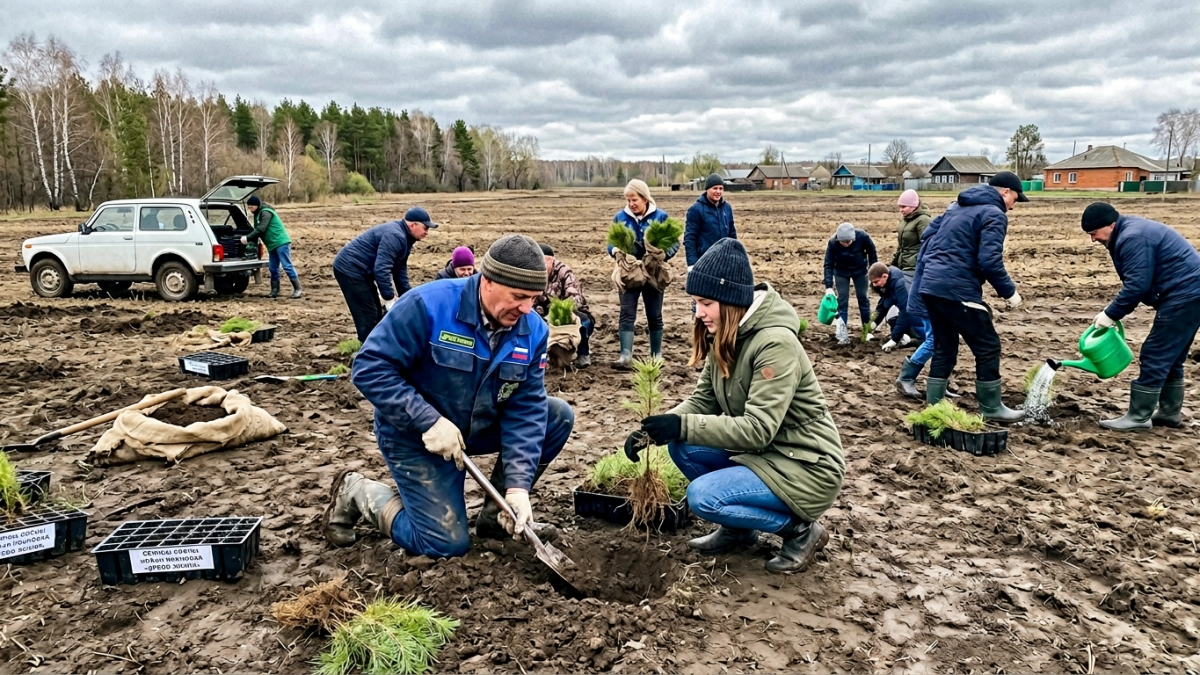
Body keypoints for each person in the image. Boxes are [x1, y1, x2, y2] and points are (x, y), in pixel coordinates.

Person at [325, 234, 575, 558]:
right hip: (415, 435)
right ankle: (358, 492)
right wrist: (427, 421)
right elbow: (370, 367)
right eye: (519, 296)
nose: (527, 308)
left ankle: (498, 518)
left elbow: (525, 408)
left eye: (533, 297)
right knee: (444, 545)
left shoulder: (533, 330)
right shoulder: (427, 305)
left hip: (475, 426)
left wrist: (517, 487)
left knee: (556, 416)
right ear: (487, 281)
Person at [624, 238, 844, 573]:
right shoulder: (726, 335)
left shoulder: (775, 345)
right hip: (768, 456)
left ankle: (800, 531)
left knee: (704, 497)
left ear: (730, 301)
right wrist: (660, 427)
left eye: (705, 303)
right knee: (682, 446)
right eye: (696, 302)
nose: (698, 312)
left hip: (805, 464)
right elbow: (702, 401)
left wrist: (680, 425)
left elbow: (757, 430)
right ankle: (739, 530)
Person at [916, 171, 1026, 420]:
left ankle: (935, 406)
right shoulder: (994, 214)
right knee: (987, 346)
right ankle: (992, 408)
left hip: (931, 285)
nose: (1013, 206)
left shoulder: (956, 207)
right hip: (957, 288)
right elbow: (989, 261)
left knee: (945, 346)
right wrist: (1010, 293)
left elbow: (928, 238)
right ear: (1005, 192)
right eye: (1015, 199)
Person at [1081, 202, 1200, 430]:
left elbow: (1137, 284)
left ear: (1111, 225)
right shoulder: (1128, 232)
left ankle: (1138, 417)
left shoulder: (1132, 238)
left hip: (1185, 294)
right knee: (1171, 357)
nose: (1093, 239)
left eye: (1094, 233)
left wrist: (1111, 314)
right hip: (1190, 292)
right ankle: (1168, 413)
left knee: (1155, 353)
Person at [332, 207, 436, 342]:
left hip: (363, 272)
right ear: (413, 225)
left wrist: (407, 296)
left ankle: (377, 347)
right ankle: (367, 353)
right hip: (350, 269)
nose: (427, 232)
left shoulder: (406, 238)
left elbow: (399, 269)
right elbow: (382, 269)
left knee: (376, 312)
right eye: (425, 228)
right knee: (368, 314)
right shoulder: (395, 235)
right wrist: (390, 298)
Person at [609, 179, 679, 367]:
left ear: (645, 198)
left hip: (653, 273)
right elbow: (611, 241)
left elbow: (674, 242)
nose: (631, 204)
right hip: (629, 272)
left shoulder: (660, 217)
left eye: (635, 199)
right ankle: (625, 356)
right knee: (626, 313)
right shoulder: (620, 218)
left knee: (654, 314)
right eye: (628, 200)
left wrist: (665, 254)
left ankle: (656, 355)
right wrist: (615, 251)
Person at [534, 243, 594, 369]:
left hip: (569, 313)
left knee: (583, 322)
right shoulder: (533, 273)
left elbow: (577, 297)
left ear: (551, 260)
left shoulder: (564, 271)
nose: (539, 266)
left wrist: (561, 308)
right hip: (544, 315)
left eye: (542, 262)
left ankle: (583, 353)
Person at [823, 222, 878, 344]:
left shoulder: (862, 236)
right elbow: (828, 265)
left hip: (860, 272)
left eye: (849, 242)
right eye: (844, 242)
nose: (847, 244)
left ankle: (866, 331)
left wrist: (873, 271)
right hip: (841, 273)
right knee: (842, 301)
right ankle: (842, 334)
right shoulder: (832, 243)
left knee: (863, 299)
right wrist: (828, 286)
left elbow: (872, 253)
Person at [241, 196, 301, 298]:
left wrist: (247, 238)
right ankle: (275, 290)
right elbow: (256, 231)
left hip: (281, 242)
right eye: (249, 207)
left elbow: (261, 229)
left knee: (286, 265)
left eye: (251, 207)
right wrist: (251, 242)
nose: (250, 209)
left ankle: (298, 289)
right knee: (273, 268)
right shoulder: (257, 215)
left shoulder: (265, 212)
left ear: (257, 205)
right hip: (272, 245)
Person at [684, 174, 736, 272]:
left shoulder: (727, 208)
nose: (718, 191)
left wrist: (734, 256)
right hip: (704, 262)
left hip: (724, 261)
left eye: (721, 188)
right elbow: (690, 238)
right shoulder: (696, 210)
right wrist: (692, 264)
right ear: (707, 189)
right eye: (715, 188)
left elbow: (732, 235)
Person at [868, 262, 922, 352]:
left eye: (876, 282)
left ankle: (916, 340)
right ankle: (904, 337)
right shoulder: (889, 283)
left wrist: (894, 339)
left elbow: (905, 311)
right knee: (891, 315)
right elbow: (883, 305)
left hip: (921, 314)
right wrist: (872, 324)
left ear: (884, 276)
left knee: (923, 336)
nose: (874, 285)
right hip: (909, 312)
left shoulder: (901, 285)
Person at [892, 189, 930, 282]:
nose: (901, 210)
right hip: (903, 264)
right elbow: (901, 245)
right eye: (900, 207)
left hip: (914, 266)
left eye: (904, 207)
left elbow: (928, 244)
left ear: (914, 206)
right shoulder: (905, 220)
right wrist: (895, 262)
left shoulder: (923, 221)